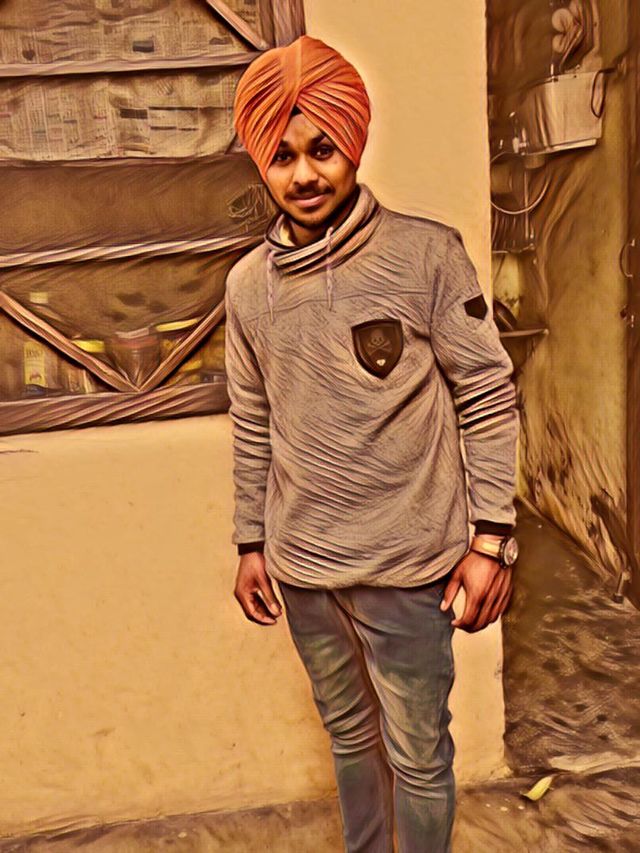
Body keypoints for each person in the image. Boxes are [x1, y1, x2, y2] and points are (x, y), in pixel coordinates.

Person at [224, 34, 519, 853]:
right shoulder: (247, 289)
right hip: (305, 571)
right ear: (260, 162)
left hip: (410, 570)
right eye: (282, 156)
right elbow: (252, 418)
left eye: (322, 149)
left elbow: (487, 394)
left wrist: (492, 540)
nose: (304, 174)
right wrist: (251, 542)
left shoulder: (427, 255)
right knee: (350, 740)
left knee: (418, 754)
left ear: (353, 142)